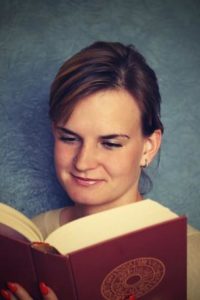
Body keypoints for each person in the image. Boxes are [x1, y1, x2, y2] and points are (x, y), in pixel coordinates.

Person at [1, 41, 199, 300]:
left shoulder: (190, 256)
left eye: (110, 143)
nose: (83, 163)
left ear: (148, 148)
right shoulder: (33, 239)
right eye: (69, 138)